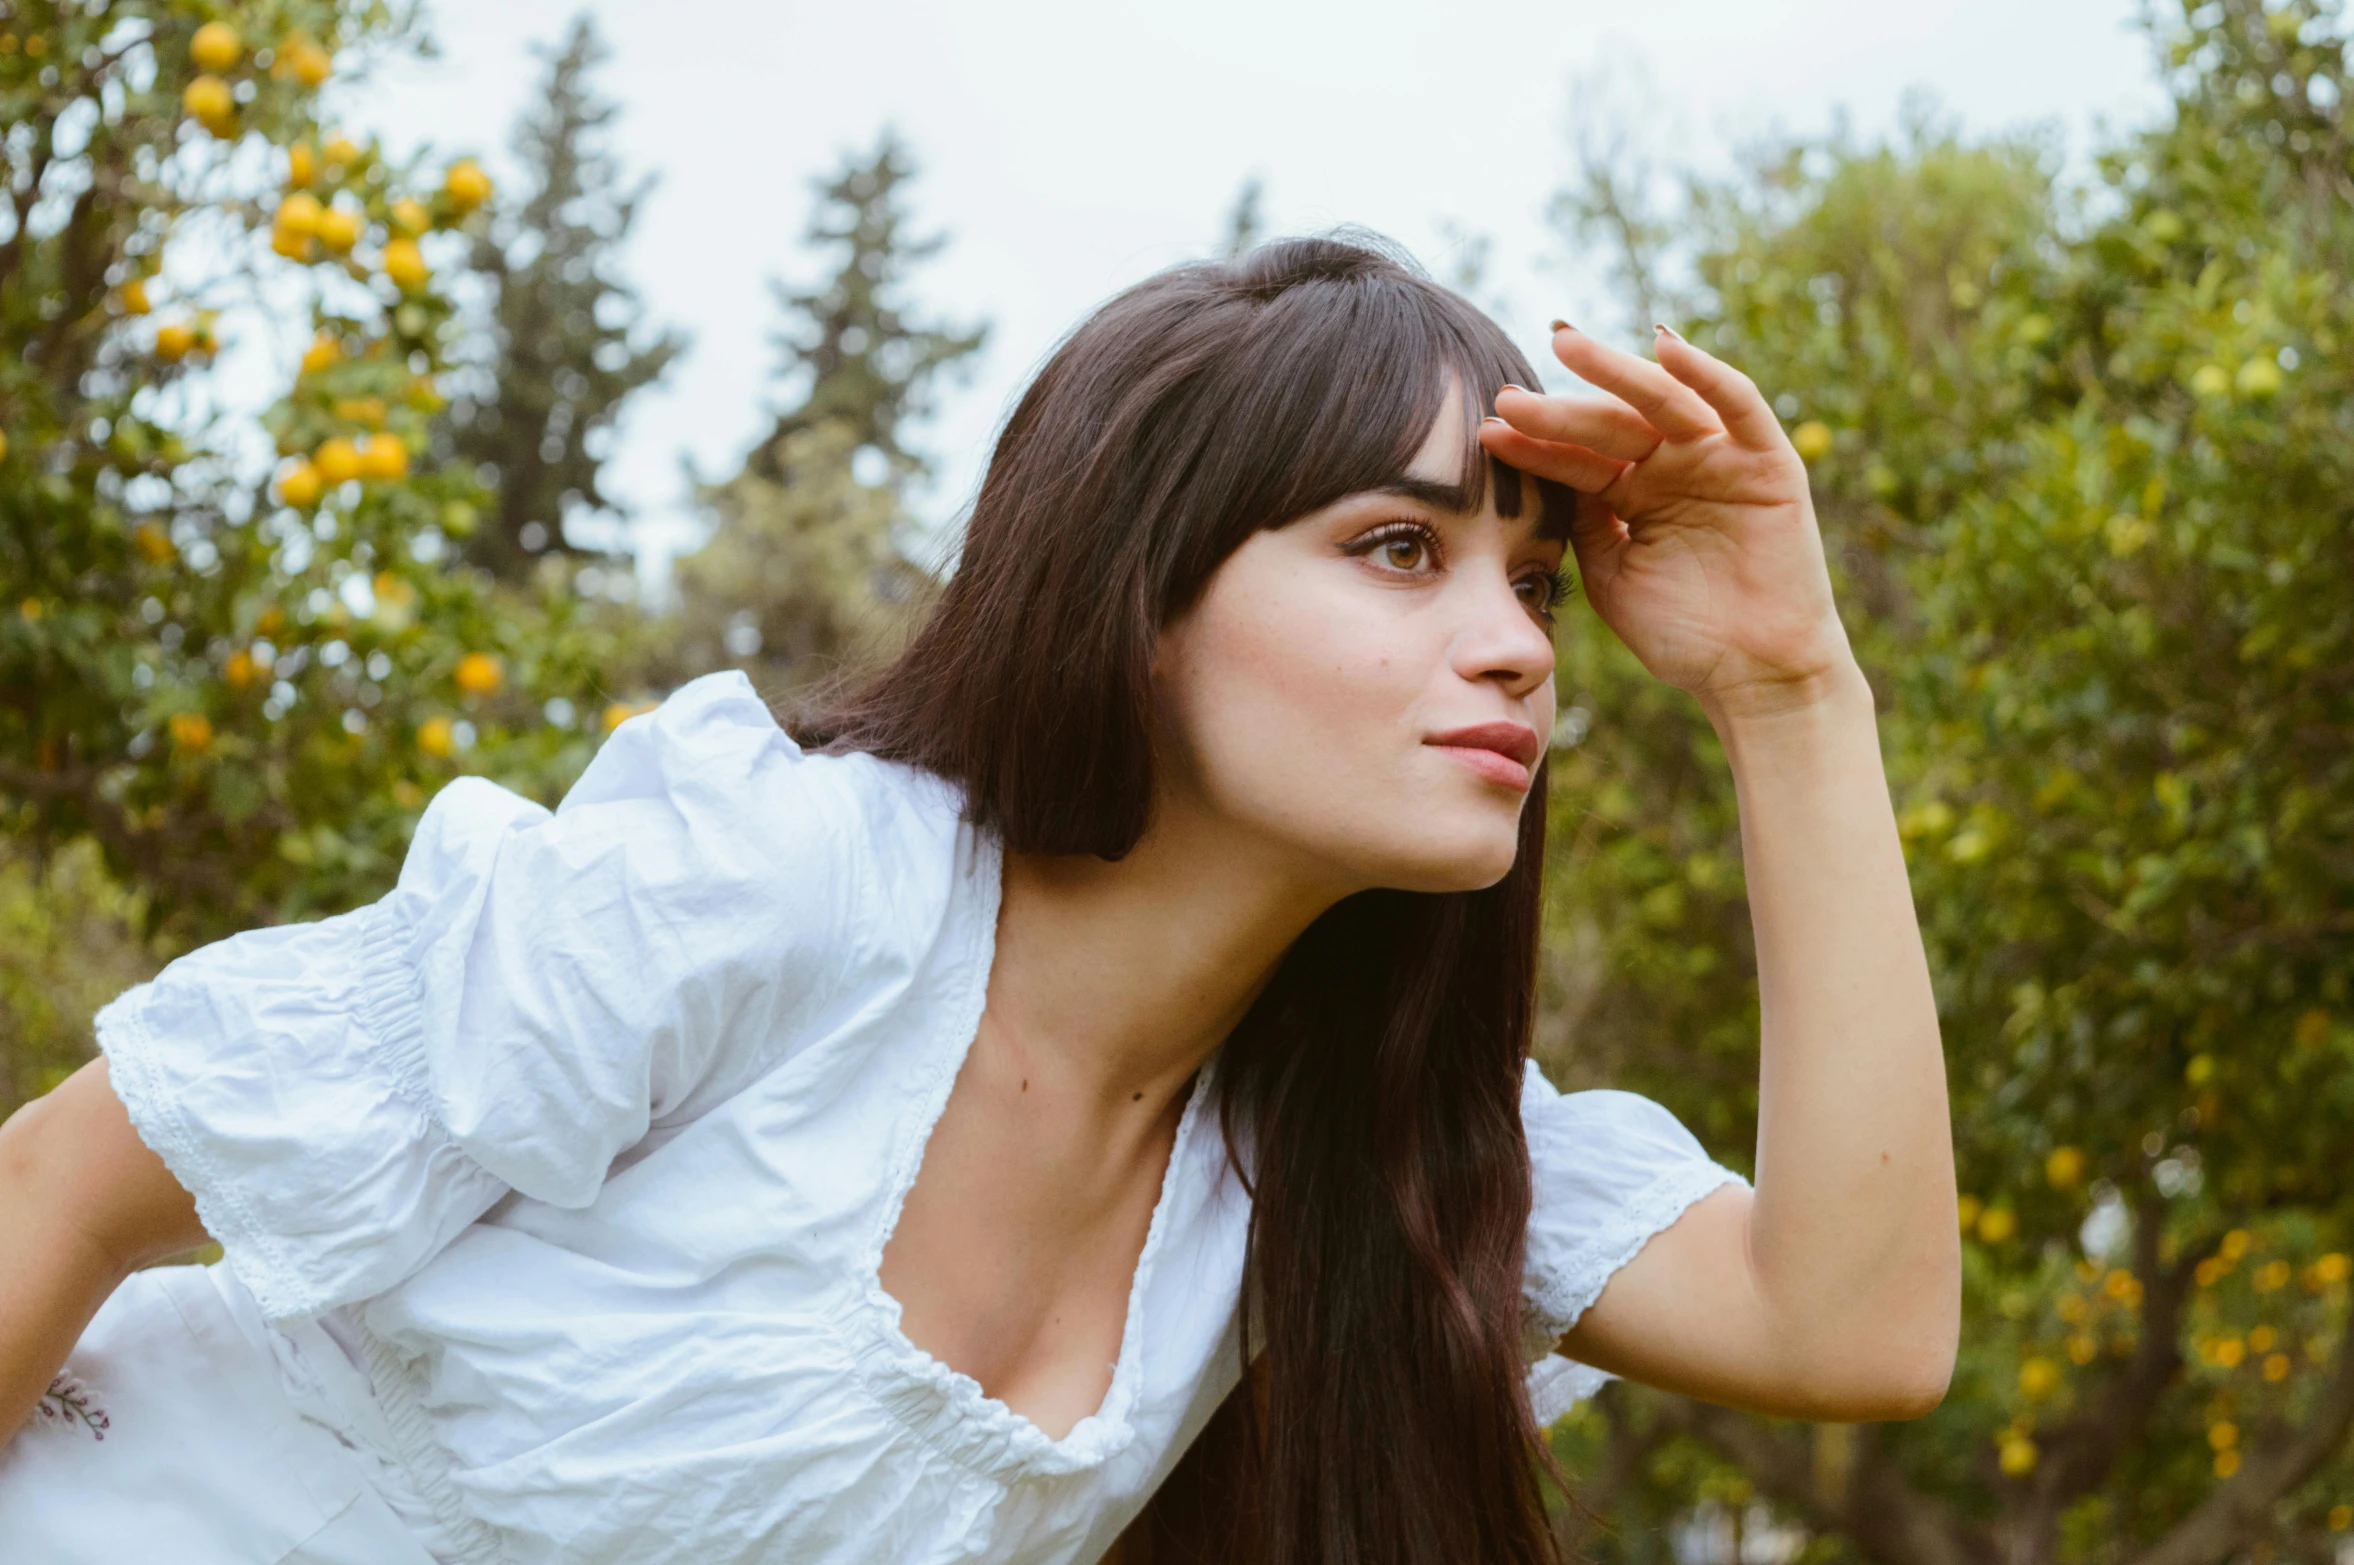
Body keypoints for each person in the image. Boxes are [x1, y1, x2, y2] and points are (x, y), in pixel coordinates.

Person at [0, 234, 1958, 1565]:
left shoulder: (1321, 1139)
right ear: (1144, 593)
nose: (1513, 646)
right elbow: (68, 1185)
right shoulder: (787, 884)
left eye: (1529, 584)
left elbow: (1852, 1322)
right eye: (1396, 547)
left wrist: (1790, 685)